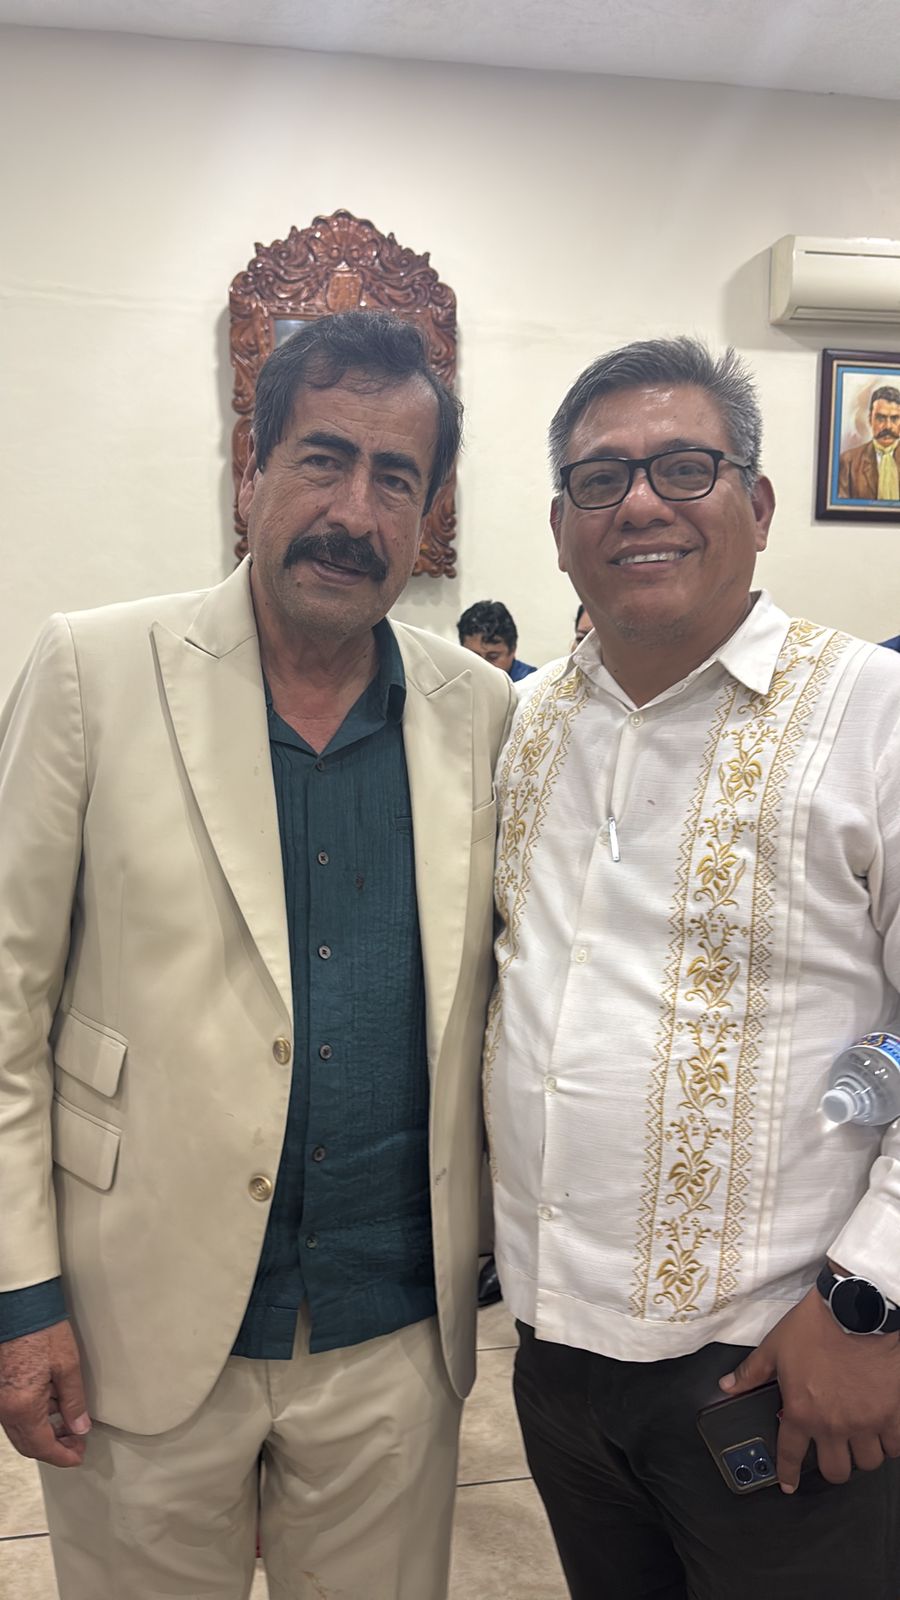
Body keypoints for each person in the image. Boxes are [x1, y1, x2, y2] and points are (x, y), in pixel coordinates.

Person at [0, 310, 513, 1600]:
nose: (353, 511)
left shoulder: (483, 713)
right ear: (251, 471)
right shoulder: (93, 671)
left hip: (394, 1333)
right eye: (322, 458)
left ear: (428, 512)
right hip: (137, 1317)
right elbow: (6, 1007)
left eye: (395, 478)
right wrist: (20, 1295)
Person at [484, 336, 900, 1599]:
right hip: (559, 1362)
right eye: (600, 478)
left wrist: (872, 1304)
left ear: (759, 506)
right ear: (561, 528)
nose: (641, 503)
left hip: (782, 1363)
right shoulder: (526, 724)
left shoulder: (872, 717)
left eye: (684, 467)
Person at [838, 384, 900, 500]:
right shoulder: (848, 462)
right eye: (880, 418)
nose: (888, 426)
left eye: (895, 418)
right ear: (870, 419)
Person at [457, 598, 536, 680]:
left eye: (492, 657)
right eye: (473, 657)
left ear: (512, 650)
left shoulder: (532, 683)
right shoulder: (455, 677)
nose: (482, 667)